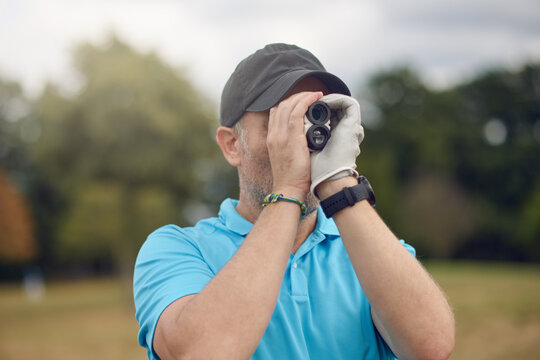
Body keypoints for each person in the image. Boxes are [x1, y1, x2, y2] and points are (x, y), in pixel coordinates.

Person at [133, 43, 455, 360]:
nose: (302, 139)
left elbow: (432, 347)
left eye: (314, 117)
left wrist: (339, 181)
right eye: (280, 121)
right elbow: (203, 353)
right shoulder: (177, 249)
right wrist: (287, 189)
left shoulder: (367, 246)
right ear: (232, 145)